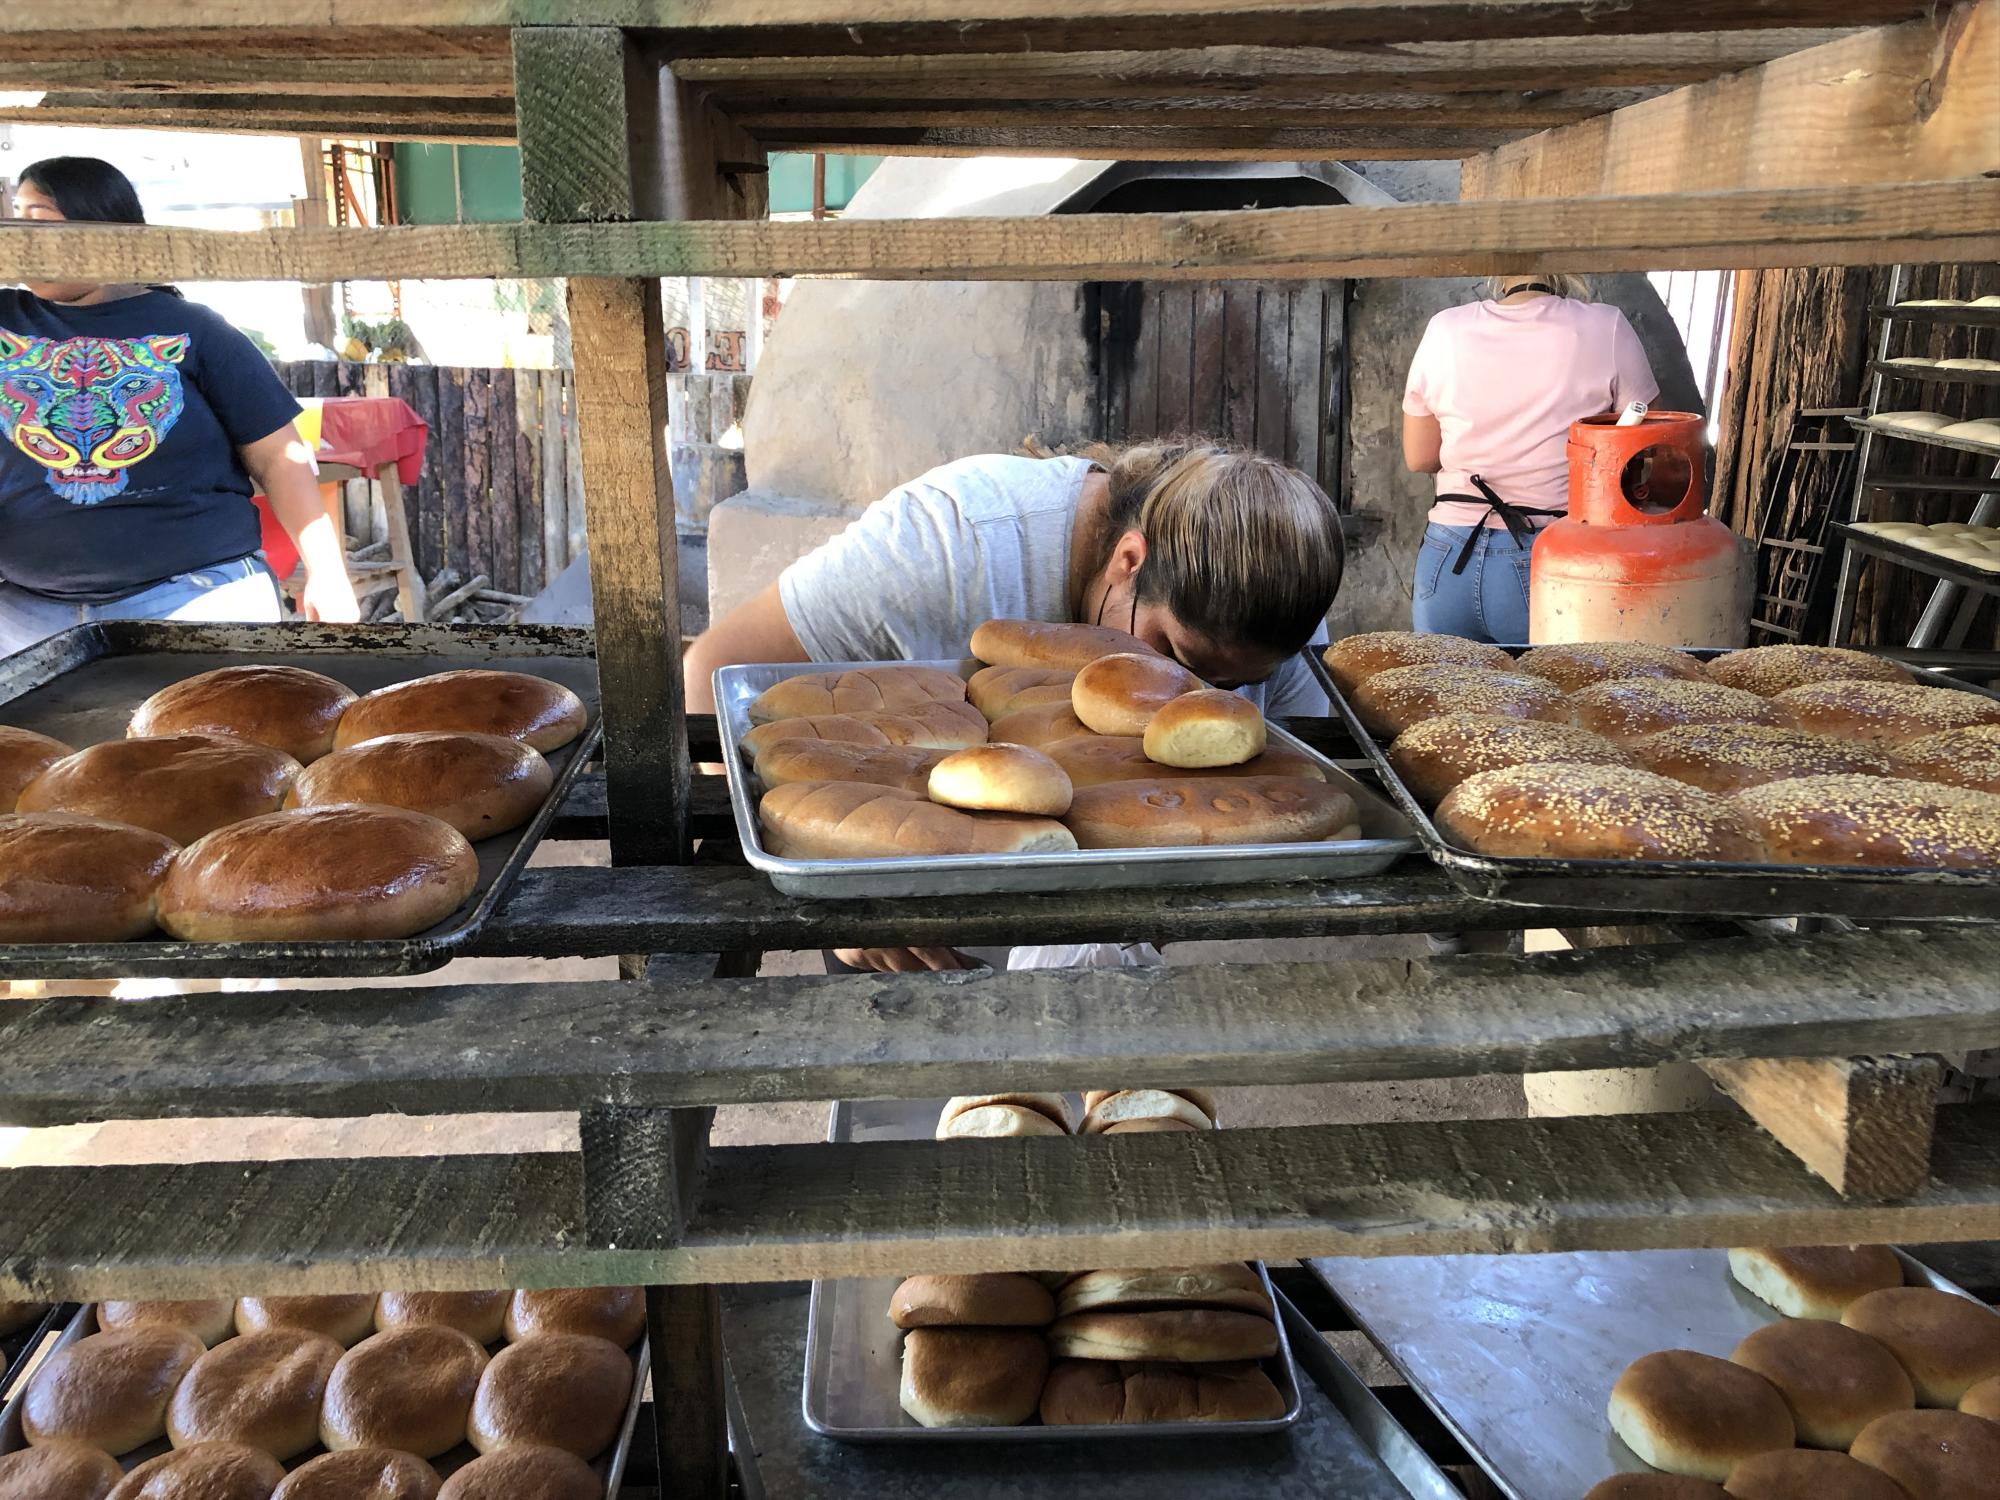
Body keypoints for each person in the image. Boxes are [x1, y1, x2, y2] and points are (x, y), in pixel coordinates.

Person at [684, 437, 1346, 972]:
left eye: (1226, 686)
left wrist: (1133, 919)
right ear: (1129, 559)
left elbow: (1264, 805)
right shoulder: (951, 541)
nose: (1179, 700)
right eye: (1170, 655)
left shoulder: (1277, 628)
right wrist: (822, 891)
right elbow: (710, 674)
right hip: (891, 875)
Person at [0, 157, 358, 656]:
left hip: (194, 597)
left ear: (101, 227)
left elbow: (281, 457)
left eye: (37, 219)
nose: (19, 236)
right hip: (22, 613)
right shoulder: (5, 321)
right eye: (14, 219)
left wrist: (328, 574)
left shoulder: (194, 329)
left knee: (209, 736)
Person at [1400, 273, 1659, 644]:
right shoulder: (1606, 326)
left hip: (1446, 556)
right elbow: (1653, 447)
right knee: (1549, 699)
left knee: (1450, 699)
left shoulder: (1444, 328)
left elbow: (1420, 456)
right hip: (1549, 553)